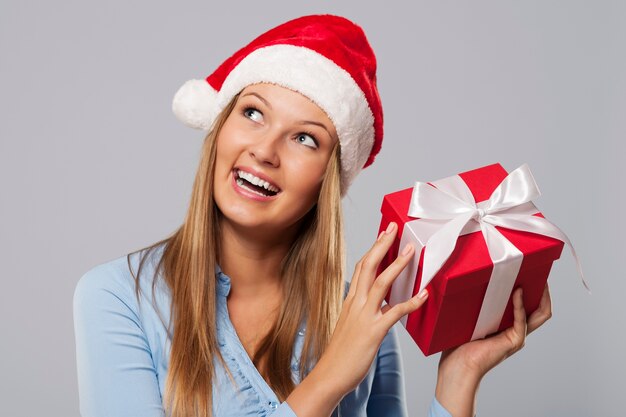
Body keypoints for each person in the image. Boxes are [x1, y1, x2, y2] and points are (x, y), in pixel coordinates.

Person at [73, 14, 553, 417]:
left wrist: (458, 377)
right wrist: (331, 378)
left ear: (329, 180)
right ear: (219, 130)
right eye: (253, 113)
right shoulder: (119, 298)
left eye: (305, 138)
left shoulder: (363, 318)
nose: (263, 150)